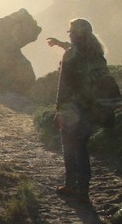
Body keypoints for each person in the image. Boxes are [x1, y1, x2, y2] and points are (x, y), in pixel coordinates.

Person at [46, 18, 107, 202]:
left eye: (72, 32)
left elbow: (65, 86)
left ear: (77, 35)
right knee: (81, 148)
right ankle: (83, 189)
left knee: (72, 149)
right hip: (91, 109)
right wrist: (59, 44)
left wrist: (60, 110)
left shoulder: (72, 56)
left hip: (73, 110)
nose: (70, 34)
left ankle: (72, 185)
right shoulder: (95, 53)